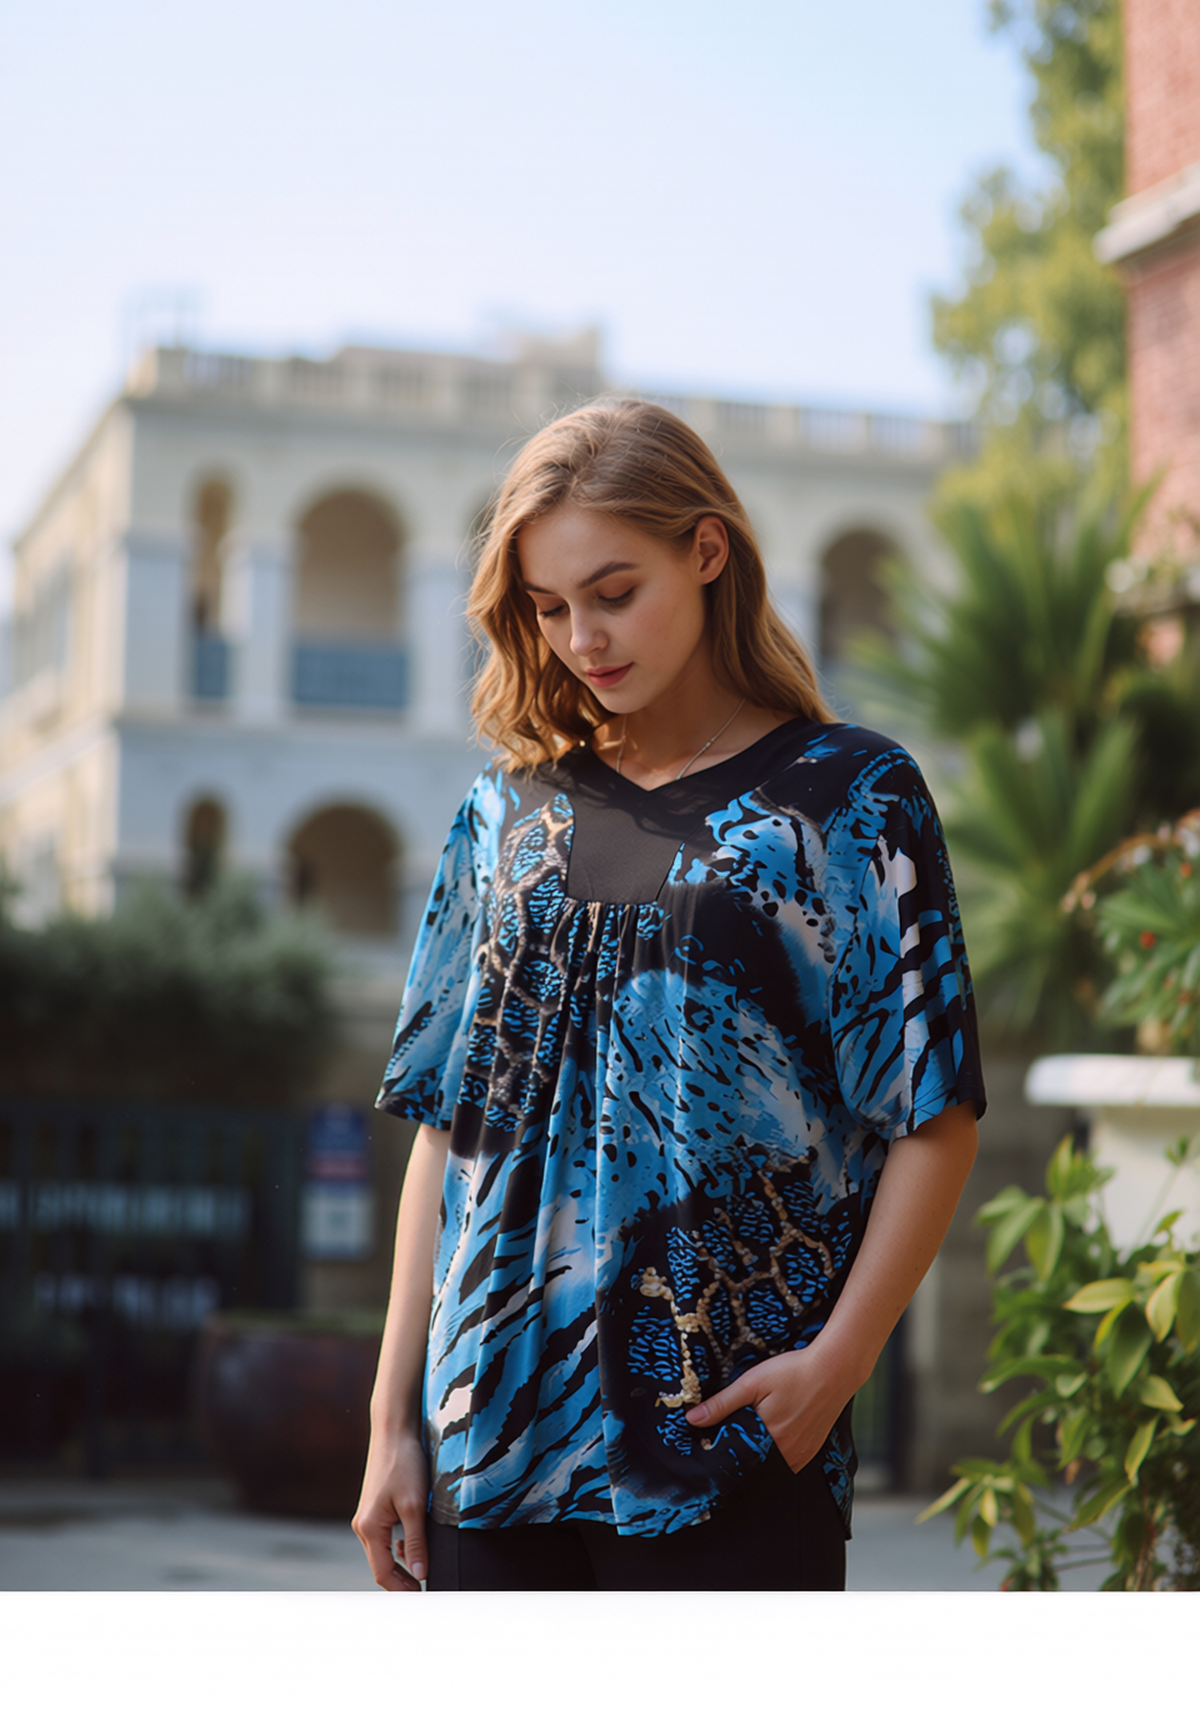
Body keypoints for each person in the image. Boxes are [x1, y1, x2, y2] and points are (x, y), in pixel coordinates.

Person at [352, 399, 983, 1592]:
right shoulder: (502, 814)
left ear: (707, 552)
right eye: (548, 607)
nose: (582, 636)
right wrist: (394, 1424)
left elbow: (935, 1117)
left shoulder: (849, 799)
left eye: (613, 590)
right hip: (491, 1441)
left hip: (732, 1444)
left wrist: (835, 1371)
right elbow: (446, 1130)